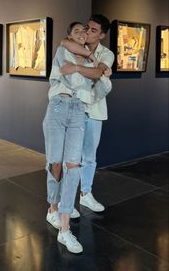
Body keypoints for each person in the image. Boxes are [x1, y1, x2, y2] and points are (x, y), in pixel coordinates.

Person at [43, 22, 111, 253]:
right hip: (58, 106)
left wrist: (98, 74)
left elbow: (99, 91)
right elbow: (71, 80)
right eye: (77, 31)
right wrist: (92, 71)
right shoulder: (62, 52)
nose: (83, 34)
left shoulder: (92, 59)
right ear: (70, 36)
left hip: (80, 111)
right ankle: (52, 208)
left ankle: (64, 229)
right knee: (56, 164)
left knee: (74, 166)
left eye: (85, 31)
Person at [60, 14, 114, 212]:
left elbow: (97, 73)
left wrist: (75, 68)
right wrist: (91, 71)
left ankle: (86, 194)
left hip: (95, 110)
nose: (87, 33)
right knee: (70, 157)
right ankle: (67, 200)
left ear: (102, 35)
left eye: (93, 30)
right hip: (74, 108)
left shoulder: (107, 54)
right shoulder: (70, 47)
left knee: (89, 156)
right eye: (86, 28)